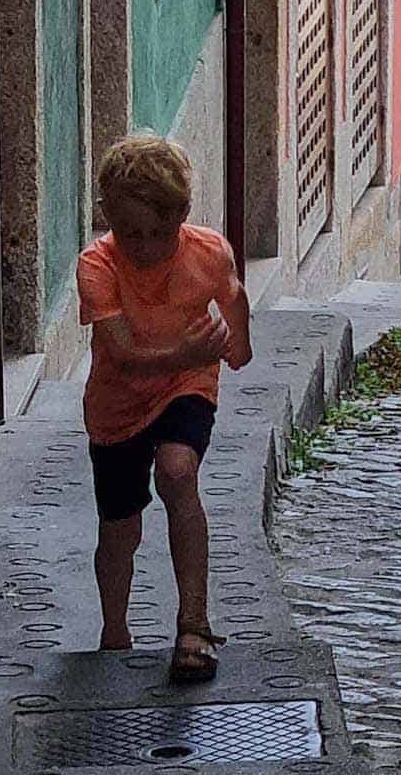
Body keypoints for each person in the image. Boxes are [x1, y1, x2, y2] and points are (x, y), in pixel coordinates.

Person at [77, 132, 252, 678]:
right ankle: (114, 629)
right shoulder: (98, 267)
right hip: (118, 405)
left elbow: (233, 292)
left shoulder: (207, 251)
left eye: (159, 233)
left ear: (182, 217)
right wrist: (189, 348)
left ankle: (194, 624)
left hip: (185, 384)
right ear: (107, 215)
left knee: (178, 473)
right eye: (130, 232)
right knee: (120, 530)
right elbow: (123, 354)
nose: (144, 246)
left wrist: (239, 345)